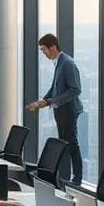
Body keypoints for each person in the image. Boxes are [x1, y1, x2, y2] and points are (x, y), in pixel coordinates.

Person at [25, 33, 84, 186]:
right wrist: (42, 102)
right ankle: (63, 178)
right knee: (64, 143)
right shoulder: (59, 63)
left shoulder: (68, 64)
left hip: (68, 111)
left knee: (72, 144)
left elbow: (75, 89)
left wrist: (53, 101)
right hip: (61, 111)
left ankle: (77, 180)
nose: (43, 53)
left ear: (53, 47)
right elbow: (55, 87)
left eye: (44, 50)